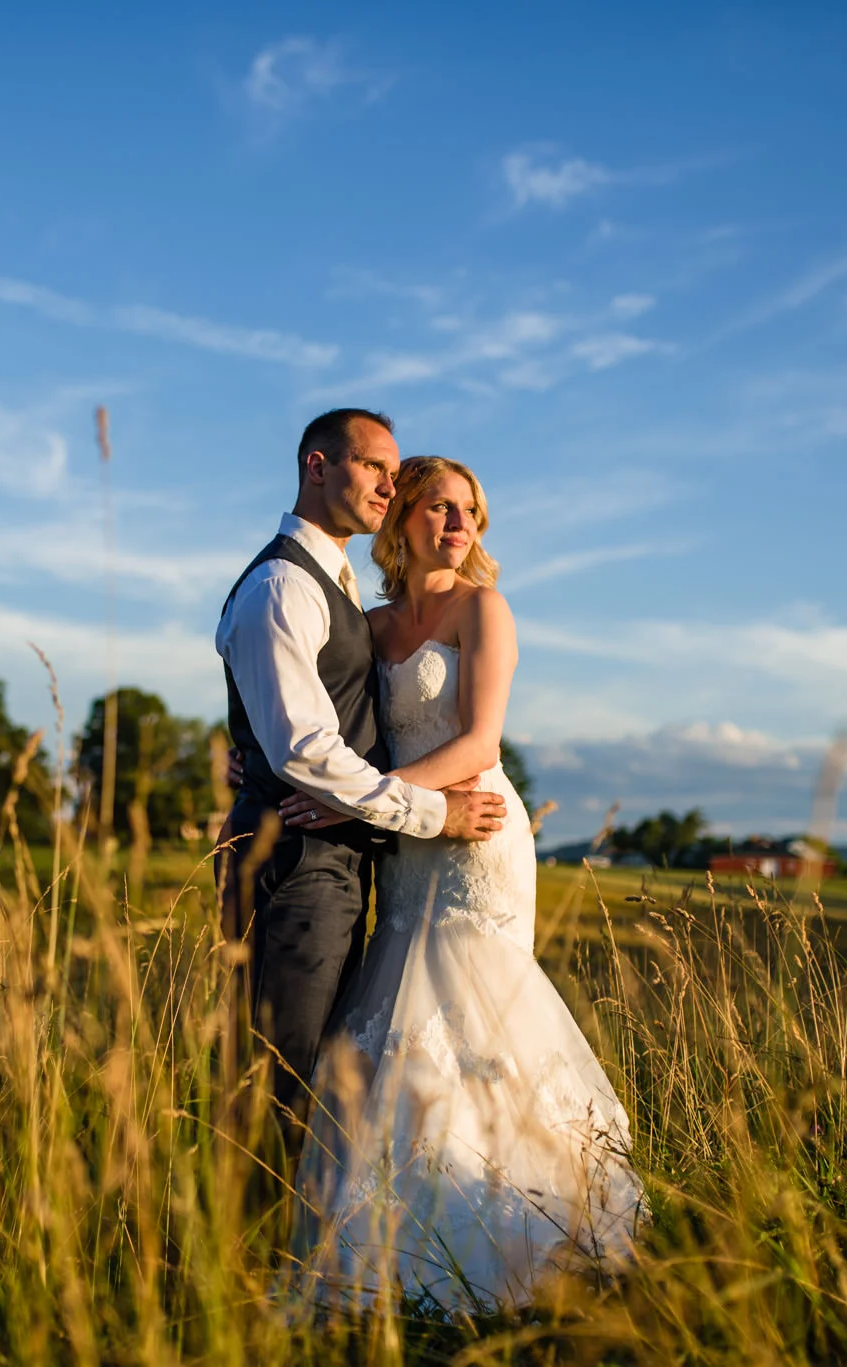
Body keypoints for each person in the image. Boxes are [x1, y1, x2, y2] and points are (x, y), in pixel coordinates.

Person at [276, 455, 644, 1308]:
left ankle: (524, 1241)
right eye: (439, 507)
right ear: (400, 518)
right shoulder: (366, 625)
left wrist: (352, 809)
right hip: (402, 833)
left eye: (470, 510)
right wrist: (260, 761)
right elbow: (319, 720)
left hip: (475, 832)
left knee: (470, 1015)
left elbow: (480, 744)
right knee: (398, 1014)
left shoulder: (484, 608)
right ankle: (397, 1249)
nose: (458, 524)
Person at [216, 410, 508, 1137]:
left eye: (392, 470)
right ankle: (250, 1249)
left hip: (372, 851)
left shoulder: (337, 586)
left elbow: (319, 719)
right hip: (306, 856)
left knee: (332, 1070)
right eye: (374, 466)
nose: (387, 482)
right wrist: (431, 813)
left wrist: (258, 753)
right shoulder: (287, 583)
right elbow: (305, 747)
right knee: (277, 1084)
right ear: (317, 466)